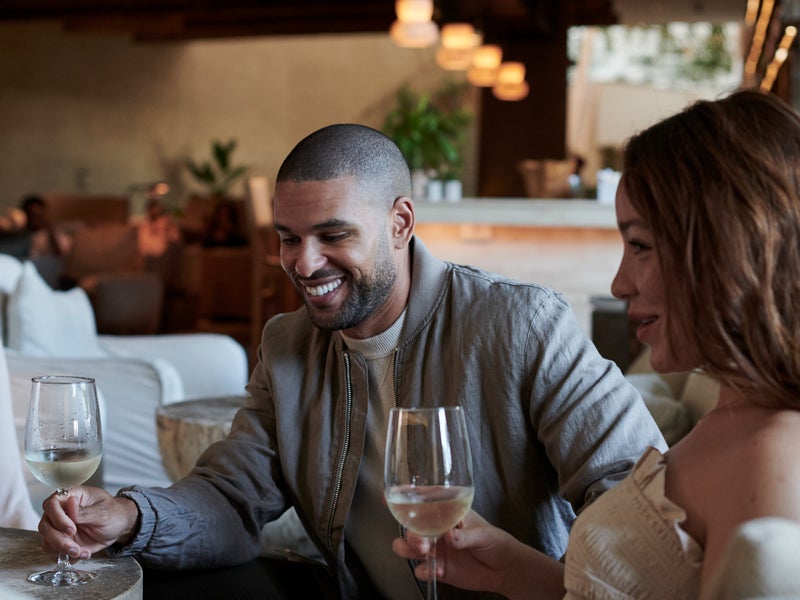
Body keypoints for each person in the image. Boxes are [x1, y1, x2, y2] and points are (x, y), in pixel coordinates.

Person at [37, 124, 664, 598]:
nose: (304, 263)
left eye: (333, 236)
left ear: (400, 223)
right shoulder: (288, 343)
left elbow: (637, 494)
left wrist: (546, 581)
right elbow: (231, 498)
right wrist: (128, 517)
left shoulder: (521, 323)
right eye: (289, 238)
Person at [392, 89, 800, 598]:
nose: (619, 284)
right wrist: (509, 570)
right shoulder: (736, 418)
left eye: (640, 245)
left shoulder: (770, 461)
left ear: (730, 249)